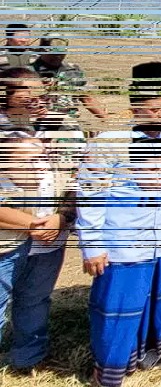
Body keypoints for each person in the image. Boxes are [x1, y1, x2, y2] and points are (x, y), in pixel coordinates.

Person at [76, 96, 161, 387]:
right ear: (134, 109)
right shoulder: (108, 144)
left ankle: (149, 355)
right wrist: (93, 246)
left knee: (159, 304)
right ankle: (109, 370)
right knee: (120, 309)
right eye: (153, 108)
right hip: (123, 243)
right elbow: (90, 196)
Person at [0, 132, 70, 363]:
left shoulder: (58, 175)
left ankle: (28, 355)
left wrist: (61, 219)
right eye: (23, 160)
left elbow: (73, 196)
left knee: (35, 299)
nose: (35, 165)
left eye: (40, 157)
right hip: (6, 251)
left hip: (47, 251)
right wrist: (32, 225)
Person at [30, 34, 109, 121]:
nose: (58, 56)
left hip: (68, 123)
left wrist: (106, 118)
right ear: (42, 50)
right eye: (53, 53)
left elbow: (87, 98)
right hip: (38, 124)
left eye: (61, 53)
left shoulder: (73, 71)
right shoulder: (28, 71)